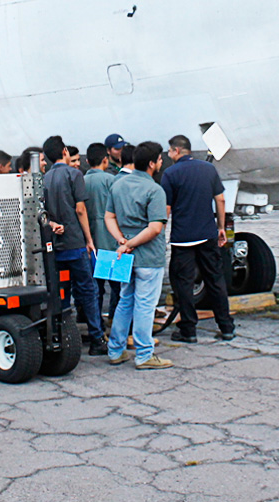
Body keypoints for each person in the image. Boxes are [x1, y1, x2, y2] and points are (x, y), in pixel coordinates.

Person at [104, 141, 173, 369]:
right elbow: (155, 228)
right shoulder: (155, 190)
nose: (162, 162)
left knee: (125, 301)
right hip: (148, 257)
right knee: (145, 305)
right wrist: (131, 243)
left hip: (125, 256)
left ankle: (115, 350)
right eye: (160, 158)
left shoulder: (119, 185)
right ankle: (144, 354)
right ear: (152, 163)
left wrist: (122, 241)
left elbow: (109, 217)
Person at [161, 134, 235, 342]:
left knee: (183, 284)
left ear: (176, 151)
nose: (168, 154)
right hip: (207, 234)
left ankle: (188, 329)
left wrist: (160, 231)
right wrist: (220, 227)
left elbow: (166, 209)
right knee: (215, 279)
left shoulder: (170, 173)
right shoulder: (208, 169)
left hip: (183, 237)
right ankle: (226, 326)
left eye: (169, 151)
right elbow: (220, 199)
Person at [42, 135, 107, 355]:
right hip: (75, 244)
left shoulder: (44, 179)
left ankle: (63, 335)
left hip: (55, 246)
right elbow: (80, 209)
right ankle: (97, 338)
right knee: (88, 290)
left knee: (61, 293)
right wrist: (89, 240)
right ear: (64, 153)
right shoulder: (74, 174)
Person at [83, 142, 119, 324]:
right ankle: (116, 319)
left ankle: (95, 322)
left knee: (95, 288)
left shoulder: (81, 180)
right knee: (118, 286)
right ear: (105, 160)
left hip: (90, 243)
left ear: (87, 160)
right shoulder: (110, 180)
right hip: (110, 241)